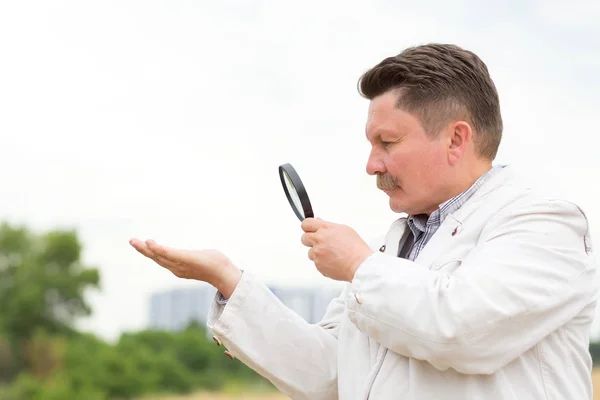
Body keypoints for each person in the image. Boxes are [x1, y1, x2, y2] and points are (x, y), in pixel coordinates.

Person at [129, 43, 598, 399]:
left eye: (387, 142)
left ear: (457, 139)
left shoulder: (544, 224)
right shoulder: (390, 250)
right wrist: (229, 280)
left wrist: (357, 265)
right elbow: (329, 372)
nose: (371, 165)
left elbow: (463, 329)